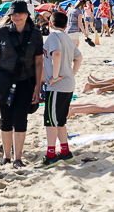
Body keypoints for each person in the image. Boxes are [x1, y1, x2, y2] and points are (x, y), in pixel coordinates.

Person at [0, 0, 44, 169]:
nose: (17, 17)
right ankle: (6, 156)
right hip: (4, 80)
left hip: (26, 82)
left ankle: (18, 158)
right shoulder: (2, 32)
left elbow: (38, 62)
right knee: (5, 120)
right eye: (14, 14)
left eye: (20, 13)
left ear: (27, 15)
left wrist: (38, 85)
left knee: (20, 119)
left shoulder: (35, 34)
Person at [35, 11, 82, 169]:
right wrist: (71, 74)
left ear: (50, 23)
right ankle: (65, 152)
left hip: (57, 85)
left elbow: (56, 54)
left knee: (50, 121)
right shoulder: (68, 38)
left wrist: (55, 76)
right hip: (67, 84)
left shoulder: (54, 36)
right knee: (60, 121)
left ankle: (50, 155)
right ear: (66, 25)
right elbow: (79, 57)